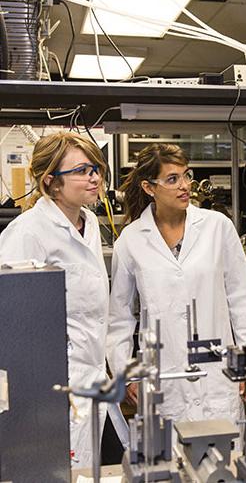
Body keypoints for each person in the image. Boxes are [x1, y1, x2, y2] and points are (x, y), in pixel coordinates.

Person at [107, 143, 246, 426]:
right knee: (170, 463)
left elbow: (241, 299)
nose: (185, 186)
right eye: (172, 179)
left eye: (186, 175)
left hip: (220, 372)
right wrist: (126, 373)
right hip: (165, 375)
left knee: (226, 464)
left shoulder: (218, 227)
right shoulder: (130, 241)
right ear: (149, 187)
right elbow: (119, 317)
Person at [0, 132, 111, 468]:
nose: (94, 177)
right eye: (82, 170)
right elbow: (10, 319)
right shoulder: (27, 232)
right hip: (49, 387)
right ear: (51, 181)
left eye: (95, 167)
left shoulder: (88, 221)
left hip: (92, 376)